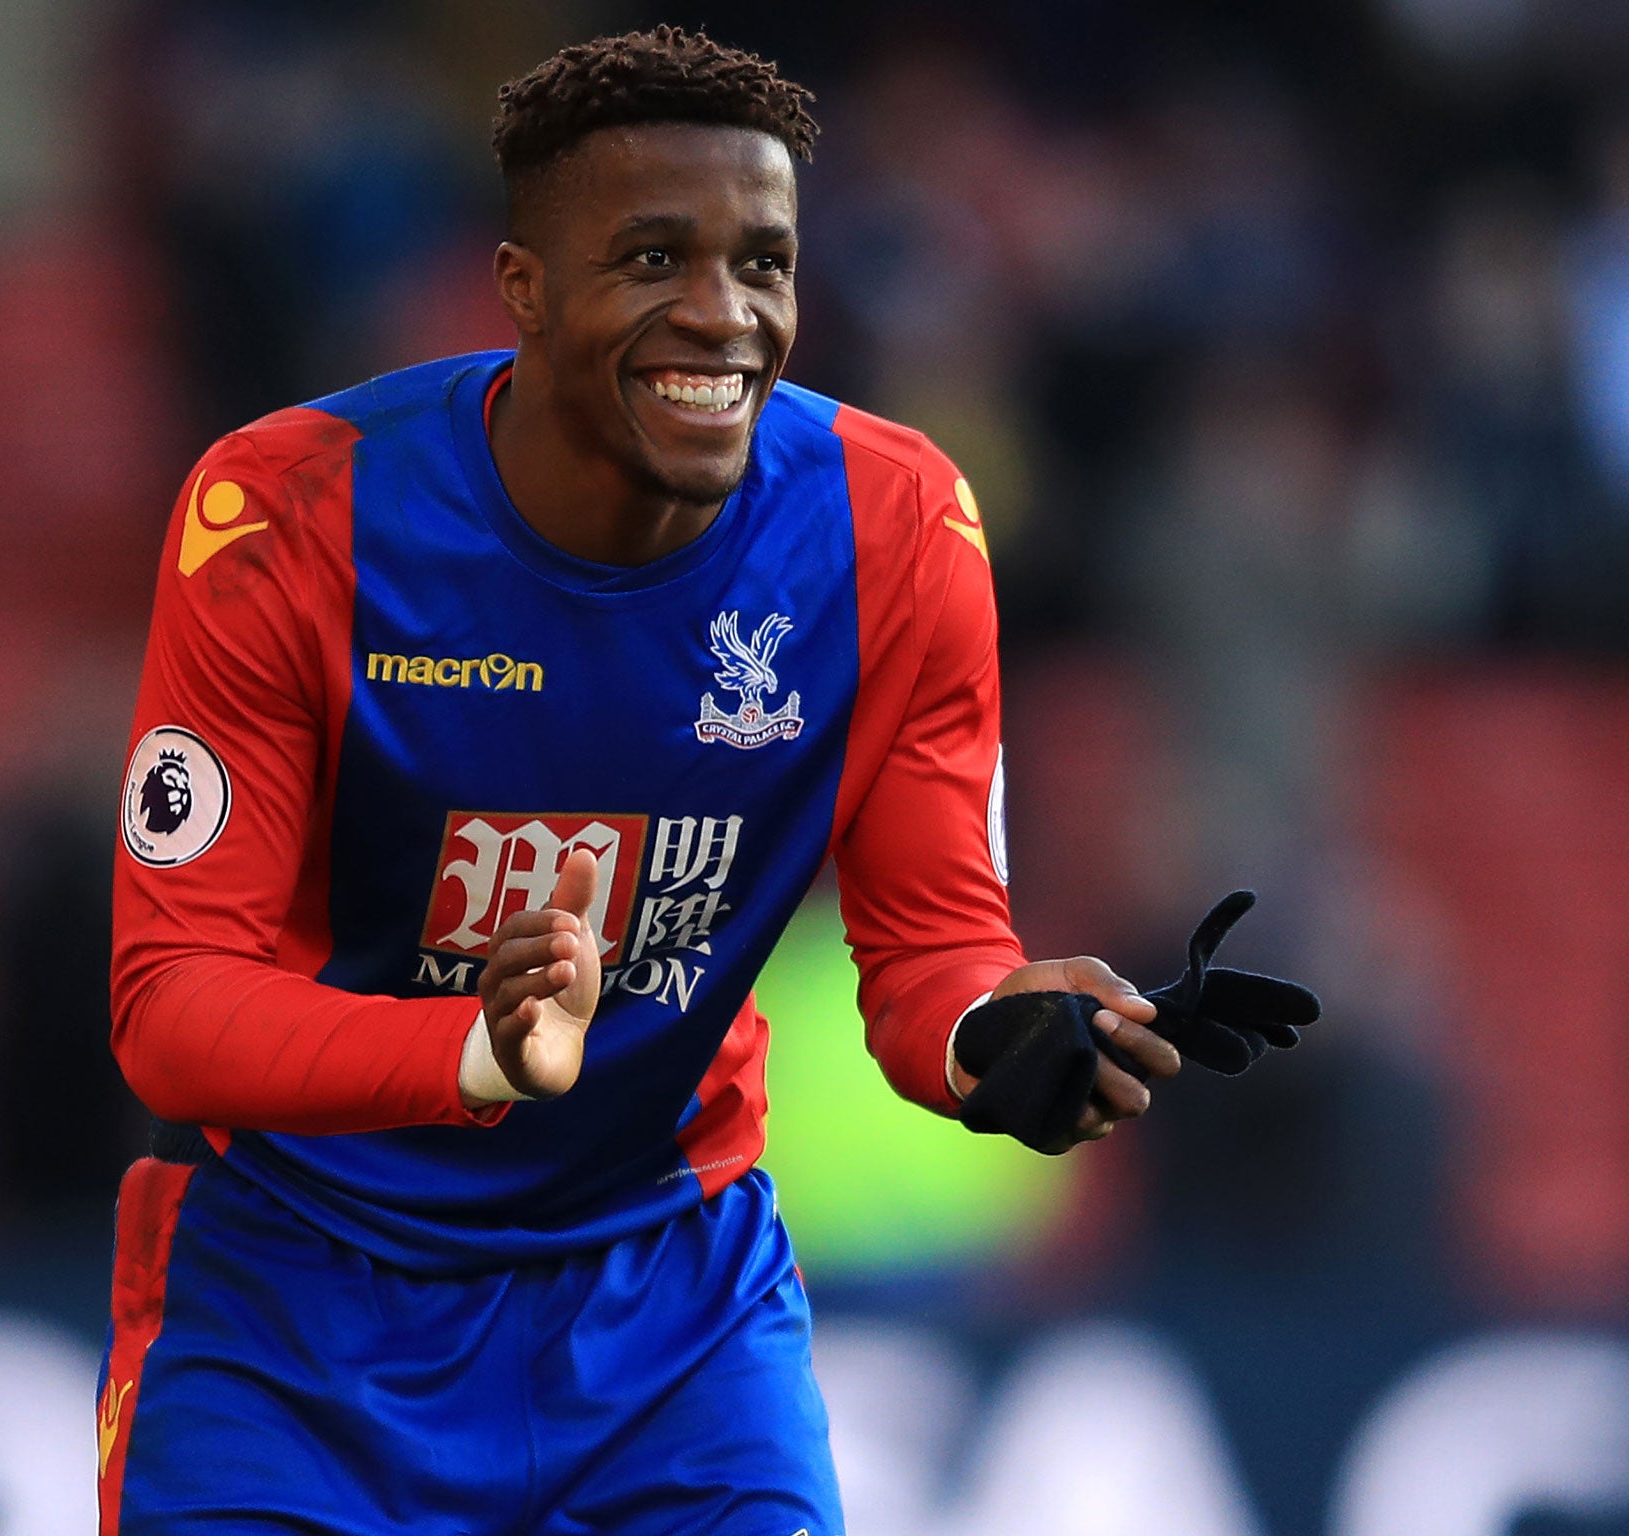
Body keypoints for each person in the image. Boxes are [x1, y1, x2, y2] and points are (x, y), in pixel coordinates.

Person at [100, 26, 1186, 1535]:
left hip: (667, 1313)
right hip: (298, 1307)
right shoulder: (286, 515)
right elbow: (169, 1007)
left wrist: (999, 1041)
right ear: (523, 290)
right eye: (657, 258)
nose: (725, 315)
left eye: (766, 263)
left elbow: (932, 955)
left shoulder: (897, 534)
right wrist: (467, 1055)